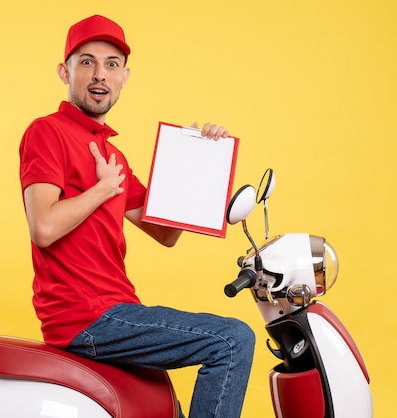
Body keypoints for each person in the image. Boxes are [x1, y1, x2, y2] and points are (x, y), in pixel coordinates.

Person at [19, 14, 255, 417]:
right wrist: (102, 189)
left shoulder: (113, 156)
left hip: (119, 310)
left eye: (111, 64)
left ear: (125, 77)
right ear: (65, 71)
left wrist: (199, 159)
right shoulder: (47, 132)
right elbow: (43, 228)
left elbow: (166, 233)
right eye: (87, 61)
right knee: (231, 340)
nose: (100, 74)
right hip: (84, 317)